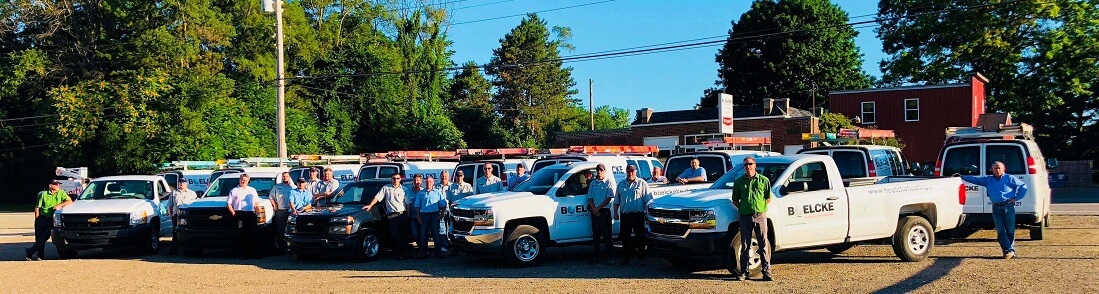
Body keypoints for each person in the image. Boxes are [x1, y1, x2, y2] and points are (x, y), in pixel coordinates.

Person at [955, 161, 1028, 259]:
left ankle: (1009, 250)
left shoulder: (1010, 178)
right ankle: (1008, 250)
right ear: (992, 170)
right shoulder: (988, 180)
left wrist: (1016, 197)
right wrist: (961, 177)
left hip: (1008, 206)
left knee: (1010, 230)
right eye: (995, 168)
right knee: (1000, 230)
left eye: (999, 168)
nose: (997, 170)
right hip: (996, 207)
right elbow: (975, 180)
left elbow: (1023, 186)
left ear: (1003, 168)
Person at [730, 156, 773, 281]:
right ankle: (744, 272)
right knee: (745, 245)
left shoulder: (764, 180)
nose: (747, 167)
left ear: (755, 165)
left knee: (763, 244)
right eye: (745, 165)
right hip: (745, 217)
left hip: (760, 216)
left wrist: (760, 208)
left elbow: (768, 198)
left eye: (750, 164)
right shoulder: (739, 182)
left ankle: (767, 272)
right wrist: (743, 208)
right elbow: (735, 200)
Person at [364, 172, 413, 259]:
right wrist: (370, 205)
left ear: (400, 179)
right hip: (391, 216)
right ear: (391, 179)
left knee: (403, 235)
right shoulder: (386, 188)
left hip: (402, 214)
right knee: (395, 235)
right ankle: (402, 252)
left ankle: (404, 253)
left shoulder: (404, 189)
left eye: (397, 178)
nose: (396, 180)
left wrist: (408, 216)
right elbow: (377, 197)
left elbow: (408, 203)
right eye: (394, 178)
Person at [613, 165, 652, 266]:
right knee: (625, 238)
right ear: (626, 172)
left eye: (632, 171)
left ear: (636, 171)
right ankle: (626, 259)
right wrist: (615, 212)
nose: (630, 173)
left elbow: (649, 200)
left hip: (638, 215)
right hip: (625, 215)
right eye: (628, 171)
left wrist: (648, 214)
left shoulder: (642, 183)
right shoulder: (621, 184)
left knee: (640, 238)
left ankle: (641, 259)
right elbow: (616, 200)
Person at [25, 180, 73, 260]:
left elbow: (69, 201)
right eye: (56, 184)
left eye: (59, 184)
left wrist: (59, 205)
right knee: (39, 237)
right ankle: (40, 255)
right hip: (43, 218)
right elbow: (37, 208)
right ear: (50, 185)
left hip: (52, 219)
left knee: (45, 236)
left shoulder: (61, 193)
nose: (58, 186)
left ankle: (30, 251)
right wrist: (37, 220)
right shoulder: (43, 194)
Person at [226, 174, 262, 260]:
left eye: (245, 180)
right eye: (242, 180)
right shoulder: (234, 190)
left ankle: (254, 253)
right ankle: (244, 254)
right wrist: (233, 213)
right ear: (239, 180)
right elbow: (228, 204)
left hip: (250, 213)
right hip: (239, 214)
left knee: (253, 234)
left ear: (248, 181)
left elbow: (256, 203)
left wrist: (256, 213)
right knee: (242, 234)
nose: (243, 181)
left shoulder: (252, 190)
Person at [413, 175, 448, 259]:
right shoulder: (421, 193)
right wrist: (418, 217)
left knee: (436, 234)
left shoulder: (437, 192)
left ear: (433, 183)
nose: (428, 183)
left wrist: (441, 214)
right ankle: (423, 252)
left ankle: (438, 252)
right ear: (425, 183)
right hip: (423, 215)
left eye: (430, 182)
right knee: (423, 234)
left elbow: (443, 205)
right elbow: (417, 206)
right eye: (427, 182)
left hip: (434, 215)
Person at [587, 163, 615, 263]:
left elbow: (609, 198)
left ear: (605, 171)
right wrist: (594, 209)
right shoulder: (593, 183)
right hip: (595, 212)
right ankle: (596, 256)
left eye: (601, 170)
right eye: (598, 170)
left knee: (607, 235)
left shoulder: (608, 182)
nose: (599, 172)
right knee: (596, 235)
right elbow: (589, 198)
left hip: (604, 211)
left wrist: (598, 208)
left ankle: (610, 256)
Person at [168, 179, 198, 255]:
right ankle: (173, 251)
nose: (181, 184)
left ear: (186, 184)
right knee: (175, 233)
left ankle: (189, 250)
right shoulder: (174, 193)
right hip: (176, 215)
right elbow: (170, 206)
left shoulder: (191, 193)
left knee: (187, 232)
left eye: (183, 182)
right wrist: (171, 215)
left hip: (186, 216)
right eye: (180, 182)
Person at [269, 172, 294, 254]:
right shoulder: (277, 187)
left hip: (291, 211)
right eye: (283, 176)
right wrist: (274, 205)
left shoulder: (293, 187)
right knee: (280, 230)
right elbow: (271, 197)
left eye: (286, 176)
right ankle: (282, 249)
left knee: (292, 230)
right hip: (280, 211)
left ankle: (292, 249)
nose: (285, 178)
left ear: (289, 177)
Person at [408, 174, 424, 242]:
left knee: (422, 233)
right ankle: (420, 246)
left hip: (422, 216)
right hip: (413, 216)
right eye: (414, 180)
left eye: (417, 180)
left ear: (421, 181)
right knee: (414, 234)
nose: (416, 182)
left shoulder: (423, 191)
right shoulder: (409, 191)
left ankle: (422, 249)